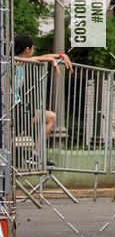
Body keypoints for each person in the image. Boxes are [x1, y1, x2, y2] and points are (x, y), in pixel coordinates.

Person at [14, 34, 73, 166]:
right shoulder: (13, 62)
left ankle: (35, 155)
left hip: (20, 110)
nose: (34, 51)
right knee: (30, 114)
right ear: (27, 49)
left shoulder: (23, 62)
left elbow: (40, 57)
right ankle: (16, 155)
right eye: (33, 48)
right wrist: (54, 58)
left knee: (50, 117)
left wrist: (60, 55)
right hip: (12, 111)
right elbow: (38, 58)